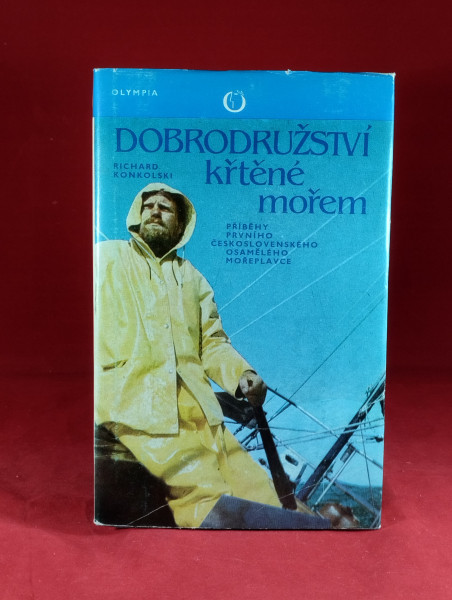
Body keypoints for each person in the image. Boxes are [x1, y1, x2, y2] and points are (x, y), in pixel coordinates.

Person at [94, 182, 283, 528]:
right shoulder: (104, 258)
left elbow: (212, 343)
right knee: (207, 495)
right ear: (137, 215)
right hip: (136, 408)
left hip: (202, 414)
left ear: (180, 225)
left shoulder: (193, 279)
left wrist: (242, 374)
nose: (154, 211)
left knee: (262, 494)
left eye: (165, 208)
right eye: (148, 205)